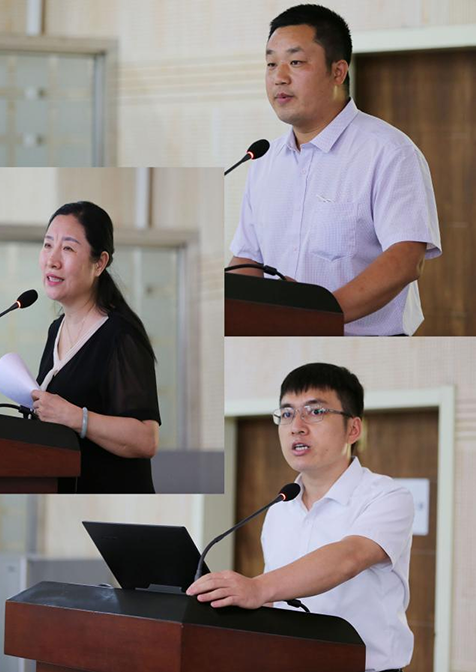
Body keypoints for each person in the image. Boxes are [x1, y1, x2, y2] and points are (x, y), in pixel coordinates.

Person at [227, 4, 440, 336]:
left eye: (296, 62)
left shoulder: (388, 152)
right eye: (271, 64)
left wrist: (317, 315)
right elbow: (247, 259)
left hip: (365, 343)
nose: (279, 77)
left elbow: (405, 260)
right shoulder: (264, 160)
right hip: (277, 340)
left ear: (338, 72)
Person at [188, 363, 413, 672]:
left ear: (353, 429)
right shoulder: (280, 507)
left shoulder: (387, 496)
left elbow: (348, 557)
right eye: (287, 413)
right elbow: (277, 599)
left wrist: (257, 587)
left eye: (315, 412)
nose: (296, 426)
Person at [31, 201, 161, 493]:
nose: (52, 260)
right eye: (48, 245)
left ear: (100, 263)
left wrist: (75, 417)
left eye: (68, 248)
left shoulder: (120, 335)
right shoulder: (56, 330)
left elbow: (146, 439)